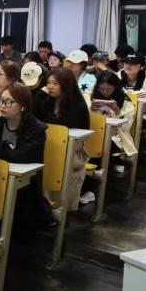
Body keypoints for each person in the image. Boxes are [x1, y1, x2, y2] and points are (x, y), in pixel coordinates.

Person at [0, 83, 53, 235]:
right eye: (1, 100)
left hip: (25, 189)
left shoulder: (36, 130)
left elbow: (18, 156)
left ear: (22, 106)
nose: (3, 105)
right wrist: (3, 150)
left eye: (9, 102)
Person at [33, 67, 90, 210]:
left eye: (55, 84)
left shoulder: (78, 106)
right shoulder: (47, 101)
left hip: (70, 150)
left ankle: (59, 208)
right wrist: (39, 95)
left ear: (66, 86)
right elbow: (33, 119)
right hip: (49, 146)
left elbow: (71, 134)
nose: (50, 87)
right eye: (48, 83)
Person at [90, 71, 136, 158]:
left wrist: (117, 111)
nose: (105, 92)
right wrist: (91, 110)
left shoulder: (125, 101)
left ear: (115, 87)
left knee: (104, 144)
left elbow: (126, 128)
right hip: (96, 133)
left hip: (117, 137)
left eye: (109, 89)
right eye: (101, 89)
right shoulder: (94, 98)